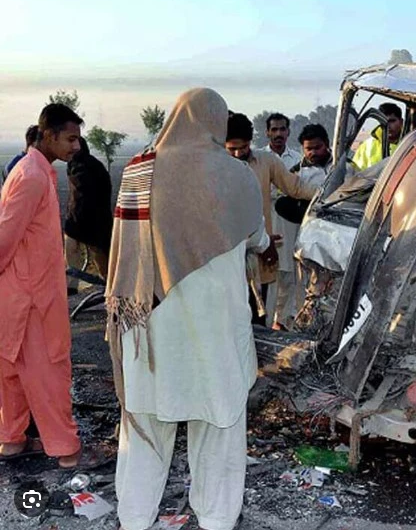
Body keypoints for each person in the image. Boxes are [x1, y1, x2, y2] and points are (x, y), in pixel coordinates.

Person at [106, 88, 270, 530]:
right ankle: (217, 520)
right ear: (216, 123)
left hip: (150, 330)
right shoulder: (237, 176)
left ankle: (134, 518)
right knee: (219, 431)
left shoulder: (138, 171)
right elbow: (259, 240)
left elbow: (122, 253)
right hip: (217, 329)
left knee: (143, 436)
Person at [0, 103, 103, 469]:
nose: (76, 146)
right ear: (48, 135)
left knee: (13, 371)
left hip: (24, 293)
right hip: (32, 299)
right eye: (70, 138)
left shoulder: (37, 172)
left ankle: (12, 440)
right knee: (48, 372)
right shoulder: (30, 176)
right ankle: (67, 452)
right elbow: (4, 240)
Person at [225, 113, 317, 327]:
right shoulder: (216, 166)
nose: (238, 153)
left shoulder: (266, 161)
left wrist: (327, 195)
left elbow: (295, 187)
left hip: (260, 254)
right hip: (227, 256)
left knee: (258, 315)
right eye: (232, 149)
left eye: (244, 147)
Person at [272, 124, 333, 329]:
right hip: (307, 239)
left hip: (337, 240)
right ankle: (302, 325)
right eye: (309, 149)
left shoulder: (345, 168)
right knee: (304, 284)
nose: (313, 153)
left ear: (327, 145)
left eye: (317, 147)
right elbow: (282, 201)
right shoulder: (296, 173)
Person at [259, 113, 302, 329]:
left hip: (289, 225)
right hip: (266, 224)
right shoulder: (259, 159)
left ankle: (284, 323)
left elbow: (297, 190)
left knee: (289, 274)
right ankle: (266, 323)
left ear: (288, 132)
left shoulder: (297, 160)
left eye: (282, 129)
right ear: (267, 132)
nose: (278, 134)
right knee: (268, 276)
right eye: (274, 130)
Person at [65, 136, 113, 293]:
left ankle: (108, 287)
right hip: (88, 220)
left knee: (84, 252)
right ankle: (108, 287)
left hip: (88, 220)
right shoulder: (86, 164)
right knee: (98, 255)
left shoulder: (85, 166)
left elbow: (86, 195)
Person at [350, 102, 404, 171]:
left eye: (392, 121)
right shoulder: (366, 146)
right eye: (383, 122)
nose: (388, 126)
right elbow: (356, 175)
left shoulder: (411, 143)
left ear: (401, 122)